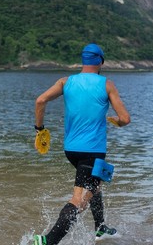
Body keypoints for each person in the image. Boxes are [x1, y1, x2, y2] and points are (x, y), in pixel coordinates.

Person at [33, 43, 131, 245]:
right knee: (79, 200)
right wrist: (116, 121)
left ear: (83, 61)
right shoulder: (107, 84)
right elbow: (125, 119)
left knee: (96, 184)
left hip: (71, 150)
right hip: (92, 151)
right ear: (101, 61)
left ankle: (101, 227)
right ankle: (48, 241)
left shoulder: (65, 81)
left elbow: (40, 101)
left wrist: (40, 130)